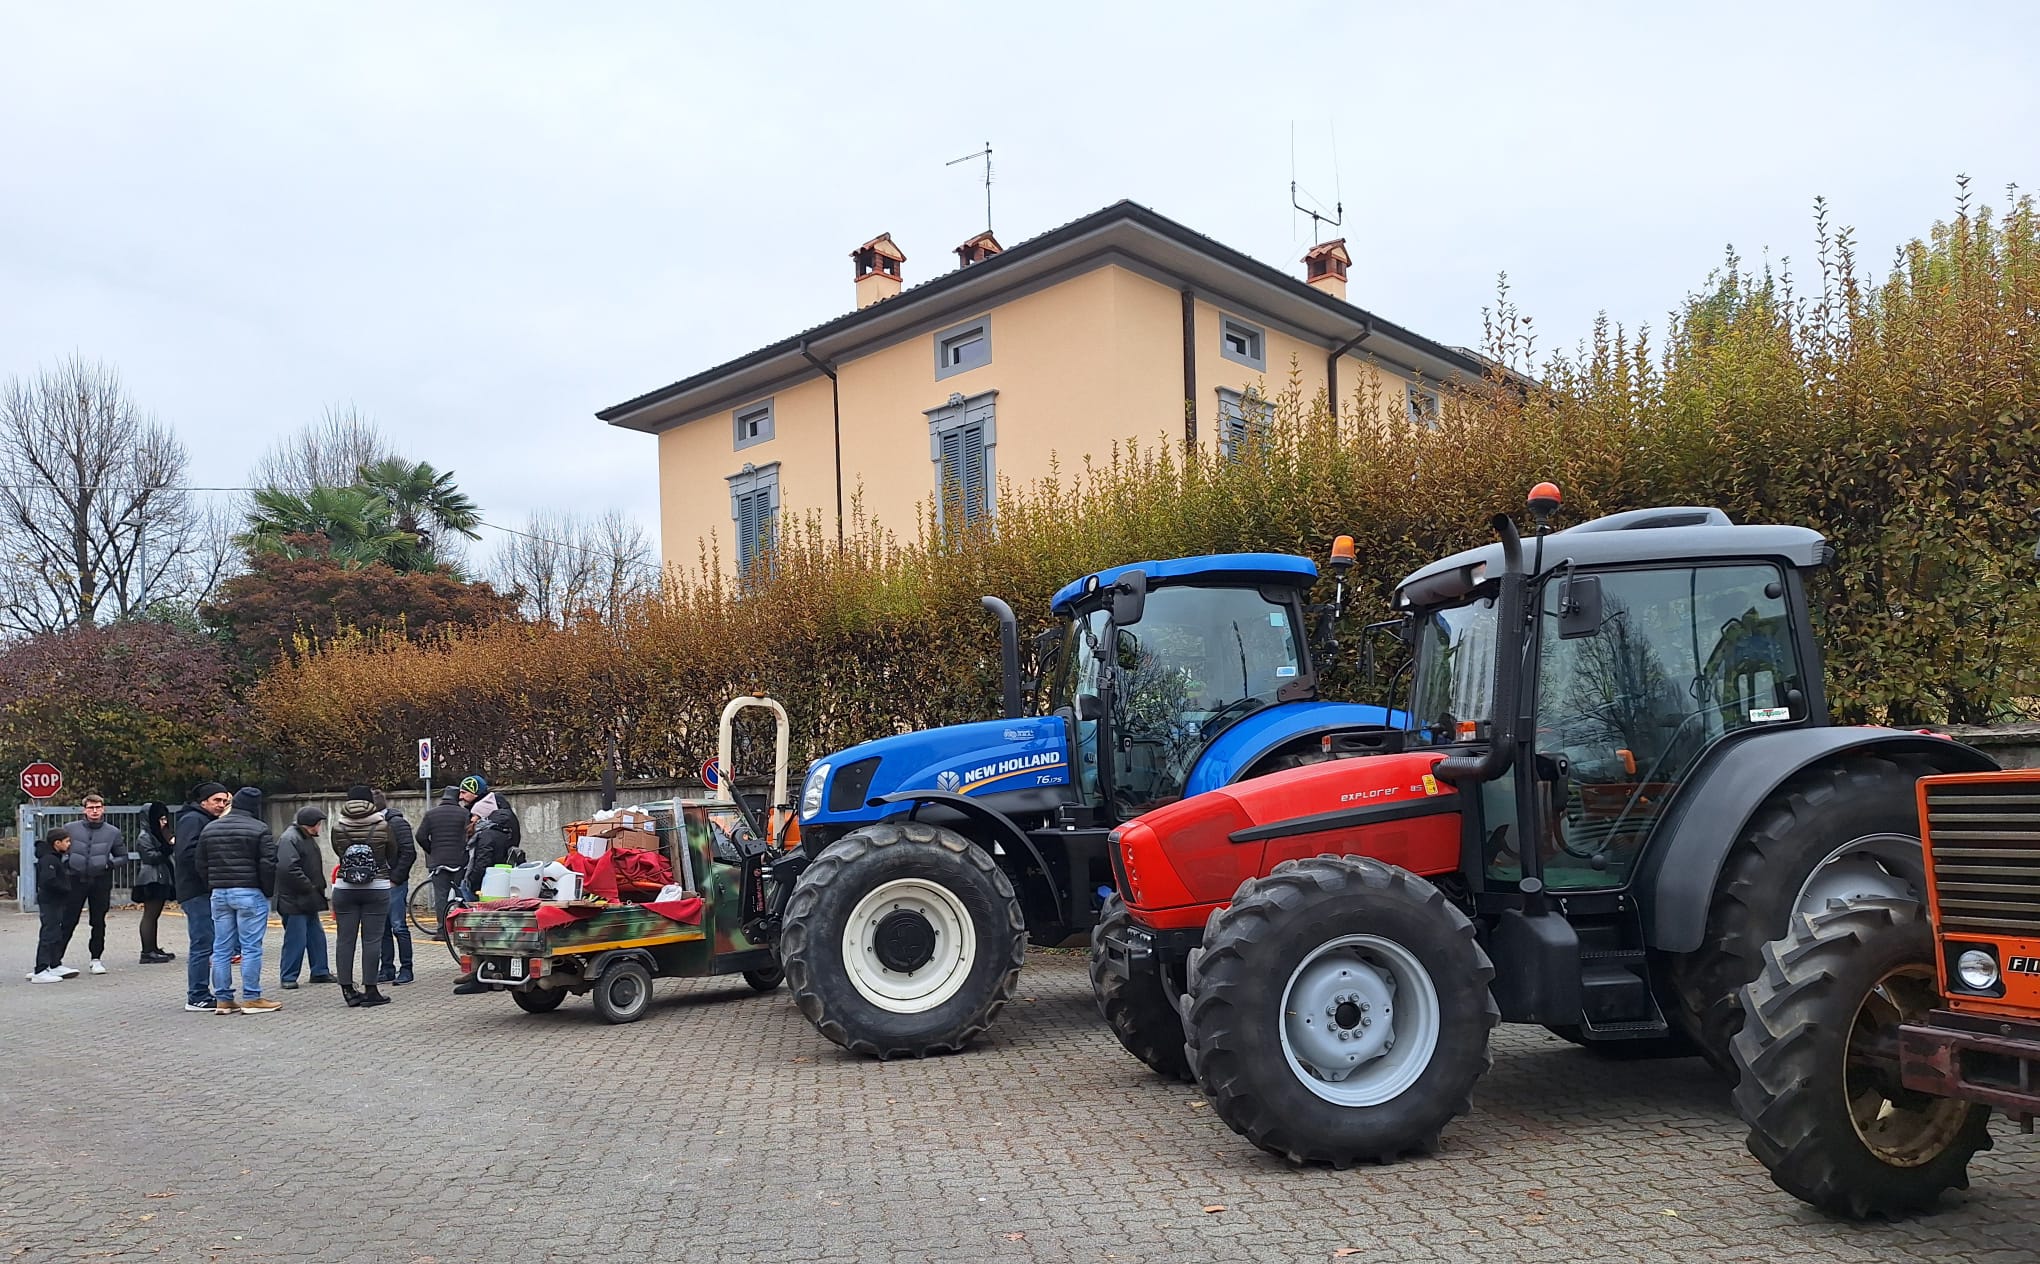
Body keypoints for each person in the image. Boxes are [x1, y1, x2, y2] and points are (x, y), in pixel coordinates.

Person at [197, 787, 280, 1015]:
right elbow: (268, 864)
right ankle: (252, 997)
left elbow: (200, 863)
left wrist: (211, 884)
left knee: (221, 947)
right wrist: (266, 890)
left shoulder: (210, 828)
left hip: (219, 893)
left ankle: (223, 999)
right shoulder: (259, 829)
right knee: (251, 947)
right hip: (249, 891)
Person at [328, 784, 395, 1008]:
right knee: (372, 939)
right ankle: (371, 990)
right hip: (376, 886)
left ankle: (347, 989)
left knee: (345, 939)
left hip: (345, 887)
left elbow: (338, 853)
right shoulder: (383, 826)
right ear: (371, 802)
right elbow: (391, 853)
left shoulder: (338, 827)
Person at [172, 782, 232, 1012]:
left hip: (203, 889)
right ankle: (197, 995)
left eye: (224, 801)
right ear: (203, 801)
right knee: (202, 942)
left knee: (209, 941)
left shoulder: (203, 820)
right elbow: (188, 854)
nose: (221, 805)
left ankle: (203, 992)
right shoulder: (193, 820)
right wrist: (210, 874)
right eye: (217, 800)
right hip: (196, 890)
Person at [56, 793, 128, 976]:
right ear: (84, 810)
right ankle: (55, 960)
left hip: (100, 880)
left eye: (98, 807)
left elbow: (122, 856)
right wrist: (66, 863)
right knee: (67, 920)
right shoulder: (70, 828)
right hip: (75, 879)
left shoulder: (112, 832)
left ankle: (96, 958)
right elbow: (59, 849)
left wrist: (109, 864)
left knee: (98, 921)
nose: (94, 811)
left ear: (103, 809)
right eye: (91, 808)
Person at [273, 807, 334, 990]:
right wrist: (309, 886)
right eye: (319, 824)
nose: (320, 828)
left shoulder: (301, 837)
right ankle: (289, 976)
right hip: (294, 898)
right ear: (312, 824)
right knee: (296, 938)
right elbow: (287, 868)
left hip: (306, 897)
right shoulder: (290, 839)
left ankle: (320, 971)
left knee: (316, 936)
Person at [374, 789, 417, 987]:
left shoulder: (397, 823)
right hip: (378, 882)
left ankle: (406, 968)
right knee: (382, 928)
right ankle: (387, 968)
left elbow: (409, 853)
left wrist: (395, 878)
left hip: (393, 882)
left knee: (398, 925)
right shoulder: (373, 824)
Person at [416, 786, 469, 937]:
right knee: (461, 894)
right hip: (459, 861)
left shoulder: (431, 814)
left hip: (438, 861)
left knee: (441, 897)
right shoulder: (464, 813)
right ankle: (461, 929)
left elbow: (420, 836)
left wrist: (431, 850)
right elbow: (470, 834)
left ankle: (442, 930)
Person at [27, 827, 78, 983]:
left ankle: (54, 964)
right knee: (49, 934)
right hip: (50, 901)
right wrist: (66, 888)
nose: (69, 844)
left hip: (57, 901)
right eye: (67, 841)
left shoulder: (56, 858)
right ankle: (40, 969)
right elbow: (48, 880)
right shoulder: (49, 859)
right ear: (57, 843)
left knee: (56, 933)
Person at [133, 801, 179, 964]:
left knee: (154, 915)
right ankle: (147, 951)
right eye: (161, 819)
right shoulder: (145, 836)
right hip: (151, 878)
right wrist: (167, 848)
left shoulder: (156, 835)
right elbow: (150, 857)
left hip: (159, 876)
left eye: (165, 818)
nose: (164, 822)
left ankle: (153, 947)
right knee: (150, 915)